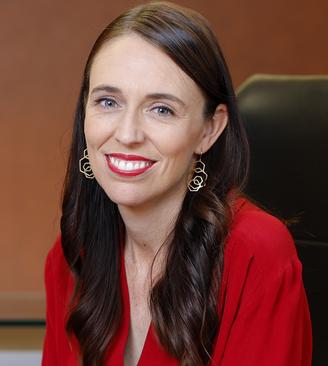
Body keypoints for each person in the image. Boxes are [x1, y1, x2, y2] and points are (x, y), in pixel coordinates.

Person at [42, 2, 312, 365]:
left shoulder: (255, 255)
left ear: (208, 129)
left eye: (161, 109)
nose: (127, 133)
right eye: (108, 101)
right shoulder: (74, 252)